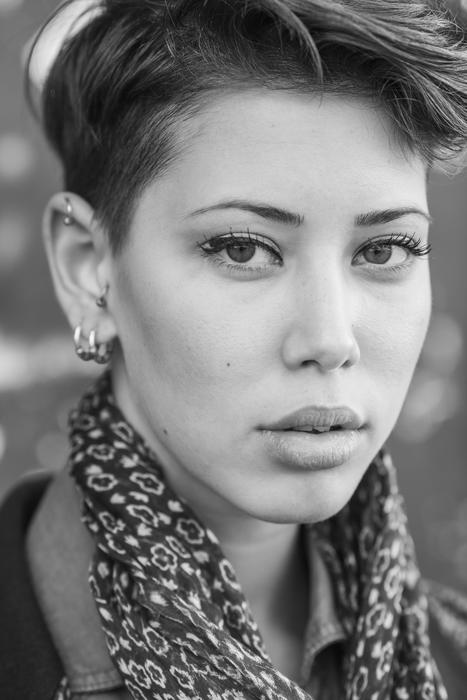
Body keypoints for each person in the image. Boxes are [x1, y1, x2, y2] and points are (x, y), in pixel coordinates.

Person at [1, 0, 467, 697]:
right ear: (87, 268)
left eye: (383, 248)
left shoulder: (450, 655)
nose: (329, 340)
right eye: (242, 248)